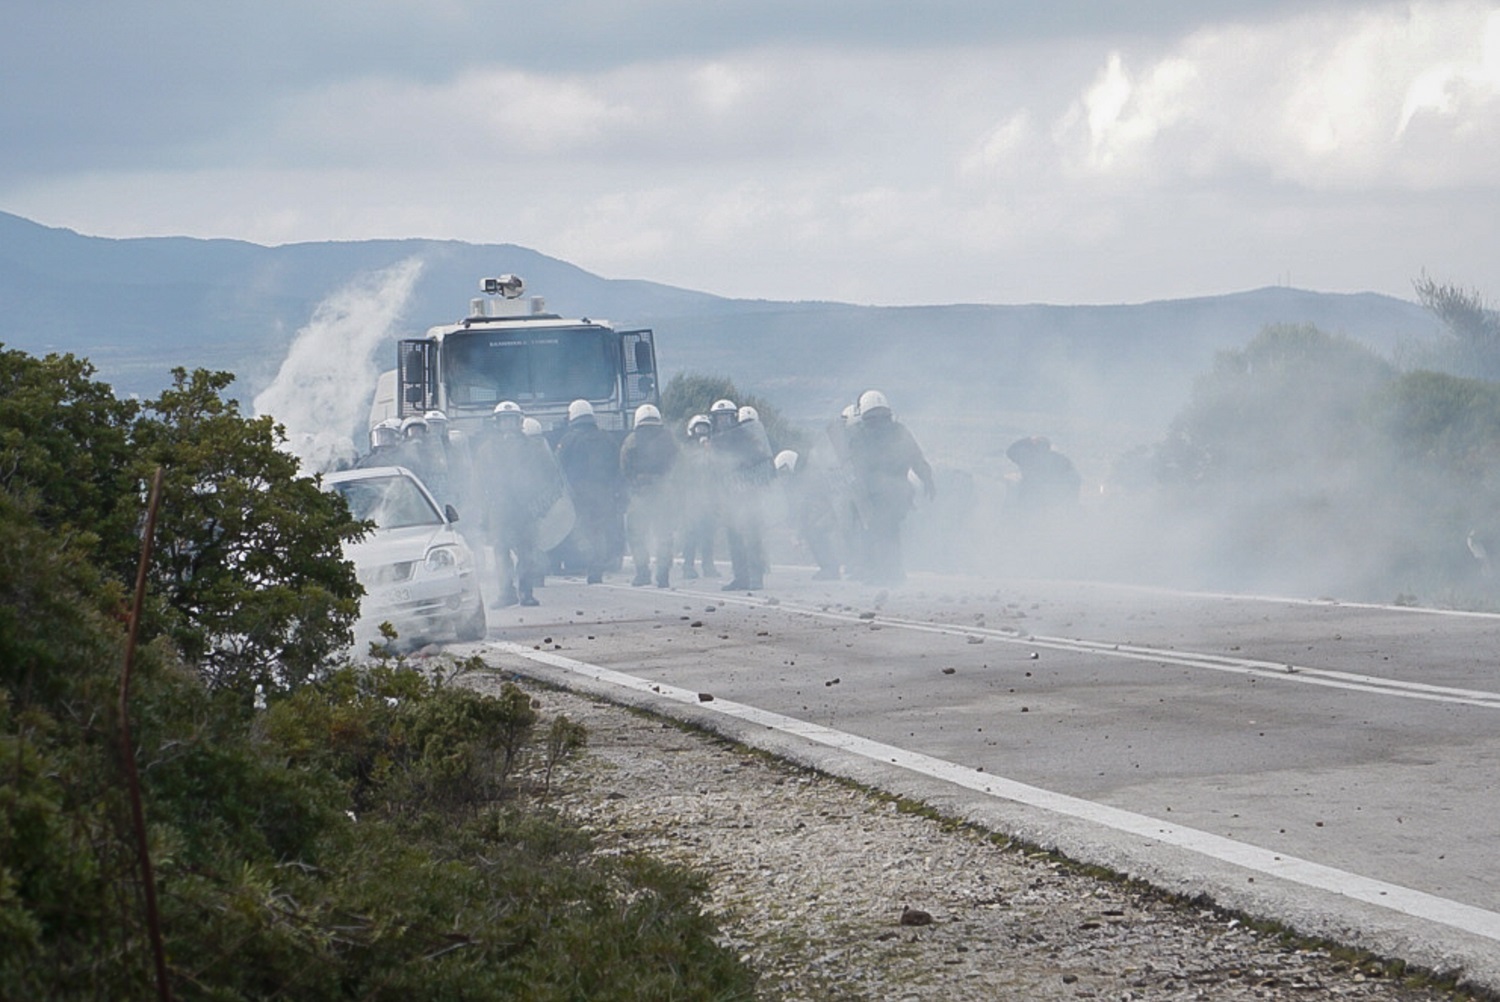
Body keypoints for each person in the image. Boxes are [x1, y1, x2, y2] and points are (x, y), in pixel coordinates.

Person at [473, 401, 565, 607]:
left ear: (519, 422)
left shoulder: (534, 447)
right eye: (504, 420)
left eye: (512, 420)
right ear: (497, 423)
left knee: (527, 552)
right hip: (500, 508)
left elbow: (551, 477)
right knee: (501, 551)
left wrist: (541, 505)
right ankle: (506, 593)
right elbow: (478, 482)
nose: (508, 425)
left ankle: (526, 592)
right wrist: (484, 510)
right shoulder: (486, 450)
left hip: (526, 508)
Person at [846, 389, 934, 586]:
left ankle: (884, 573)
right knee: (890, 531)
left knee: (878, 532)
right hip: (900, 491)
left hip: (876, 493)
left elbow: (856, 467)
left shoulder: (859, 435)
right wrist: (928, 479)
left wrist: (860, 495)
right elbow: (917, 458)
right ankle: (892, 572)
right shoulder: (900, 430)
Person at [555, 398, 623, 584]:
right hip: (604, 493)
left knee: (580, 530)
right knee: (600, 530)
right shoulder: (607, 438)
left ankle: (586, 560)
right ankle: (597, 567)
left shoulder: (568, 439)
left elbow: (558, 467)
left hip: (578, 493)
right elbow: (618, 466)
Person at [709, 398, 773, 590]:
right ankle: (741, 577)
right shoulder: (715, 443)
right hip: (728, 495)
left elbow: (760, 459)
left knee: (751, 536)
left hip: (747, 493)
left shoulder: (746, 437)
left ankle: (755, 578)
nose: (723, 422)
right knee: (734, 537)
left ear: (734, 418)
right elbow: (714, 470)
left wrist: (746, 472)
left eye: (727, 417)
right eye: (720, 418)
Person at [619, 403, 679, 587]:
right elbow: (678, 463)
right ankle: (663, 572)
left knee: (636, 533)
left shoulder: (631, 440)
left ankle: (643, 572)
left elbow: (624, 467)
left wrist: (635, 482)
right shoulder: (669, 439)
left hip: (640, 494)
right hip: (664, 493)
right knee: (664, 533)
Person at [775, 449, 842, 580]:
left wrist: (799, 532)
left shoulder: (806, 477)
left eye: (784, 471)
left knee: (815, 532)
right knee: (813, 531)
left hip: (829, 510)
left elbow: (807, 506)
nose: (784, 475)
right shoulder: (805, 474)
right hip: (827, 510)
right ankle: (829, 568)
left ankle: (830, 568)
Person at [676, 413, 720, 578]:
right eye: (699, 429)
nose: (702, 432)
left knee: (708, 533)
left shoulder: (713, 448)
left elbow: (718, 469)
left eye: (705, 429)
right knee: (690, 534)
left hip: (708, 497)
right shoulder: (686, 449)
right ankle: (688, 567)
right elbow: (684, 469)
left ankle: (708, 566)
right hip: (691, 498)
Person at [1004, 436, 1081, 517]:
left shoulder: (1028, 458)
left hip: (1040, 497)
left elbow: (1010, 451)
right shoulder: (1059, 458)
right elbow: (1075, 478)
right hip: (1048, 498)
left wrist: (1028, 440)